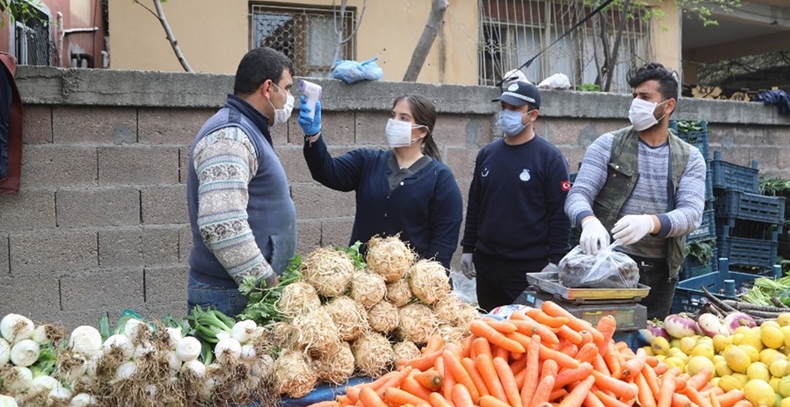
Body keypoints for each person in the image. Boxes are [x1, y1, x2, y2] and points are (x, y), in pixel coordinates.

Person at [564, 63, 706, 320]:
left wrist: (651, 222)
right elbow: (577, 194)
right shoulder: (608, 145)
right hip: (606, 267)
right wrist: (588, 221)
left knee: (649, 345)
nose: (636, 104)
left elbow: (692, 214)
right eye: (634, 97)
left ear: (668, 105)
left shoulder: (690, 157)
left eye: (645, 97)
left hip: (661, 273)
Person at [186, 47, 297, 316]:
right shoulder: (231, 136)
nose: (290, 98)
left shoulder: (247, 129)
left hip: (240, 292)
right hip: (231, 296)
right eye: (287, 88)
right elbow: (220, 222)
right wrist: (266, 283)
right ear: (268, 88)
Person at [297, 93, 463, 269]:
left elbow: (444, 240)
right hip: (363, 279)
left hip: (407, 284)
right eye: (393, 116)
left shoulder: (440, 178)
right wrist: (313, 136)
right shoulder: (366, 161)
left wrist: (426, 279)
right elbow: (327, 171)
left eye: (403, 118)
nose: (394, 122)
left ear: (422, 131)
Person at [460, 81, 572, 312]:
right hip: (488, 264)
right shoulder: (487, 154)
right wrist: (468, 248)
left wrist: (555, 261)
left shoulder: (549, 158)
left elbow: (559, 213)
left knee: (525, 332)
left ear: (533, 115)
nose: (506, 113)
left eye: (514, 108)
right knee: (490, 328)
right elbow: (476, 205)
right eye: (504, 107)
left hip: (529, 268)